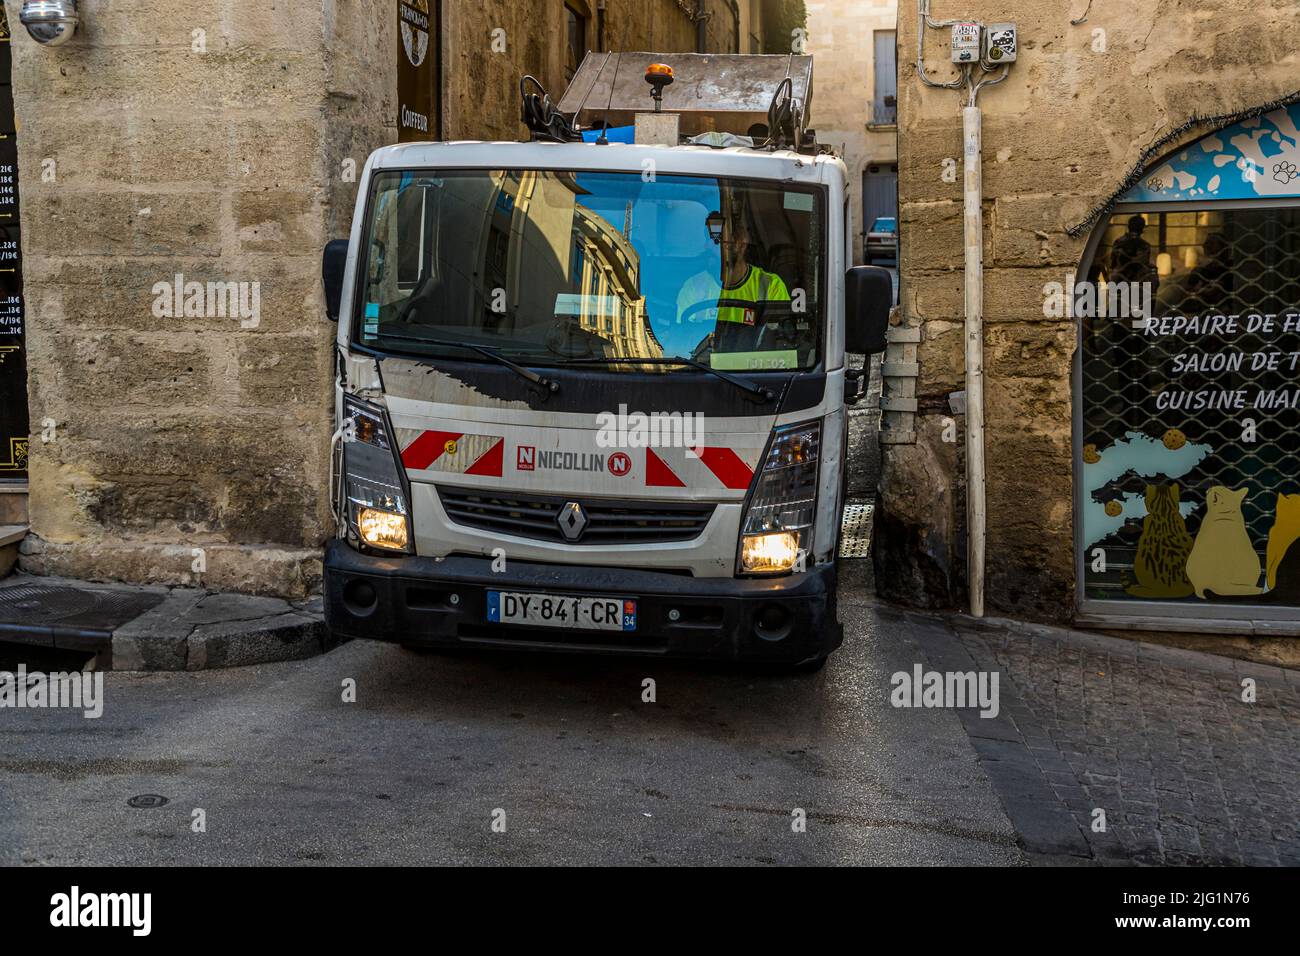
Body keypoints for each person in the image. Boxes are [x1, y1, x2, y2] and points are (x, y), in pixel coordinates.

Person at [676, 211, 791, 348]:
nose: (706, 246)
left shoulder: (771, 286)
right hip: (704, 367)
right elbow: (682, 342)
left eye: (715, 240)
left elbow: (780, 342)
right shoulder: (693, 287)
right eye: (707, 239)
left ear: (740, 244)